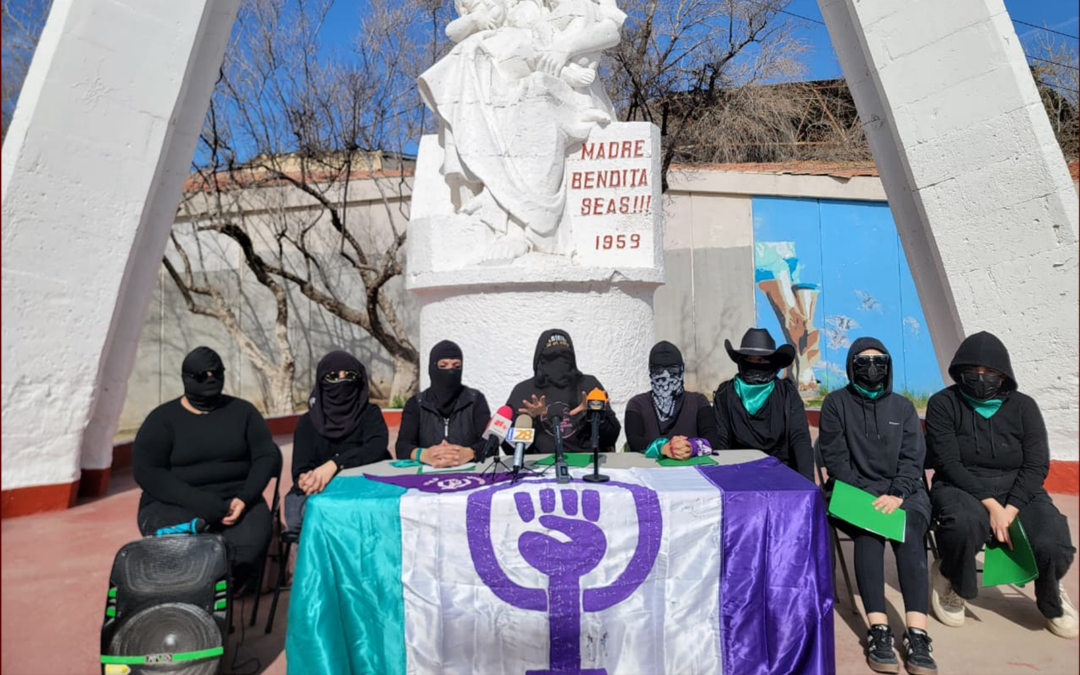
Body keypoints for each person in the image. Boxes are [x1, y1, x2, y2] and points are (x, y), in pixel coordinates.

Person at [927, 331, 1077, 638]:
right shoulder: (943, 403)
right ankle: (950, 578)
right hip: (961, 484)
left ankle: (1051, 591)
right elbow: (949, 463)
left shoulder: (1024, 407)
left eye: (990, 373)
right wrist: (992, 506)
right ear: (959, 371)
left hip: (1017, 488)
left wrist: (1010, 509)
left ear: (1003, 374)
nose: (982, 379)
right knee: (963, 525)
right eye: (974, 372)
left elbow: (1037, 464)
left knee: (1053, 540)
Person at [819, 338, 937, 674]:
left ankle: (917, 634)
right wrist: (866, 499)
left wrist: (897, 494)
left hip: (903, 493)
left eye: (879, 361)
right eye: (863, 361)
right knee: (868, 534)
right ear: (851, 365)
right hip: (853, 493)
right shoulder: (835, 403)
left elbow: (913, 460)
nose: (872, 368)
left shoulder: (902, 408)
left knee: (910, 531)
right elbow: (836, 459)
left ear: (888, 366)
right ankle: (879, 630)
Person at [133, 346, 280, 590]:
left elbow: (266, 456)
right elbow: (147, 471)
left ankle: (221, 603)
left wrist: (245, 498)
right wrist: (203, 503)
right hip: (176, 502)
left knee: (244, 550)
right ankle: (189, 605)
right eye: (202, 375)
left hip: (237, 501)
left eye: (216, 373)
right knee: (182, 553)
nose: (210, 379)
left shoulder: (244, 412)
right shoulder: (161, 419)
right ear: (187, 378)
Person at [285, 351, 389, 531]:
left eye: (349, 376)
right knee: (300, 514)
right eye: (333, 376)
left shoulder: (370, 414)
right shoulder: (307, 422)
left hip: (364, 486)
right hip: (322, 489)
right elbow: (300, 469)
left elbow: (376, 447)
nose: (342, 381)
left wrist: (335, 465)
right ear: (321, 381)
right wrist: (304, 480)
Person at [701, 328, 814, 480]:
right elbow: (722, 441)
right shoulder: (725, 394)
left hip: (782, 474)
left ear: (772, 363)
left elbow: (800, 438)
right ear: (741, 361)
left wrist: (807, 483)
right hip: (739, 475)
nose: (755, 364)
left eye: (761, 360)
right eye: (749, 359)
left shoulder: (787, 394)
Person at [505, 329, 620, 454]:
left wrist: (593, 415)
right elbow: (509, 450)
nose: (559, 362)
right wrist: (531, 419)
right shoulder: (524, 391)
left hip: (586, 464)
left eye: (565, 357)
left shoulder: (589, 386)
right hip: (538, 466)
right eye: (552, 357)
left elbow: (610, 438)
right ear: (540, 360)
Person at [396, 340, 492, 467]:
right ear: (432, 367)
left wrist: (470, 453)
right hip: (426, 477)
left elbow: (490, 444)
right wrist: (424, 454)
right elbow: (402, 447)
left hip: (470, 475)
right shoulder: (416, 403)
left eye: (456, 366)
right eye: (443, 366)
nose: (450, 371)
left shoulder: (475, 400)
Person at [624, 341, 712, 459]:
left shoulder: (699, 402)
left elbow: (712, 438)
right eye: (658, 370)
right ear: (650, 372)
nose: (665, 375)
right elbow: (634, 441)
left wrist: (691, 447)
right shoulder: (637, 404)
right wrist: (663, 447)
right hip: (649, 472)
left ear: (681, 370)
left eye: (672, 370)